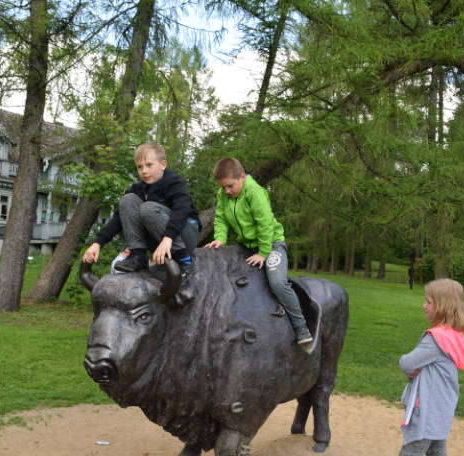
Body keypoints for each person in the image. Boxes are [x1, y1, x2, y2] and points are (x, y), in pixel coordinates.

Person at [204, 157, 314, 353]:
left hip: (270, 245)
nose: (227, 191)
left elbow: (265, 225)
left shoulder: (255, 193)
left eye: (230, 186)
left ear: (242, 177)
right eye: (223, 188)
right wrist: (220, 238)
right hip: (244, 245)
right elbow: (220, 217)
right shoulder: (223, 194)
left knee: (278, 283)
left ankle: (302, 328)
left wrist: (263, 253)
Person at [397, 278, 464, 456]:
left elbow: (407, 363)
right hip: (442, 409)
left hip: (428, 411)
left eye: (429, 302)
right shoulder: (454, 335)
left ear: (442, 306)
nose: (424, 305)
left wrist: (410, 368)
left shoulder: (436, 339)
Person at [82, 142, 200, 276]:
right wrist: (97, 243)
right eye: (140, 167)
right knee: (127, 200)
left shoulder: (175, 183)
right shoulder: (139, 189)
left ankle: (186, 261)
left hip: (184, 234)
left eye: (149, 165)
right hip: (160, 240)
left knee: (148, 208)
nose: (144, 171)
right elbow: (118, 219)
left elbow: (182, 210)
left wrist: (168, 238)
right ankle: (138, 256)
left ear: (163, 164)